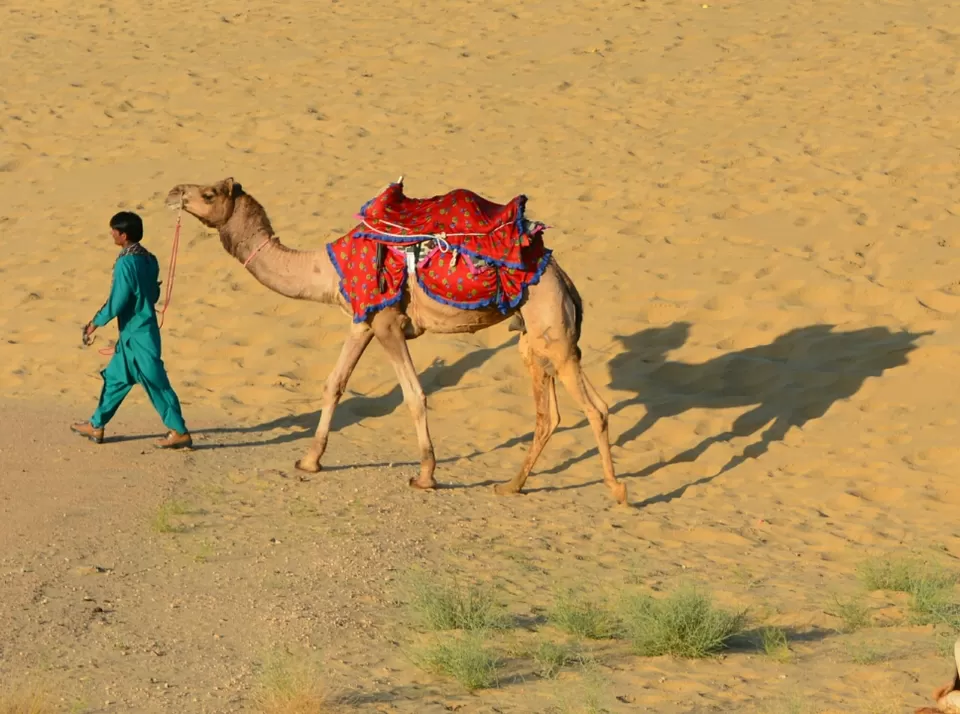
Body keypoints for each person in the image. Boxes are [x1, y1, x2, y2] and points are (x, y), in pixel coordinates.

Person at [71, 211, 192, 449]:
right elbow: (153, 293)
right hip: (134, 334)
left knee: (156, 382)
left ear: (123, 235)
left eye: (114, 231)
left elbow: (118, 301)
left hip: (140, 335)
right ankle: (97, 424)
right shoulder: (150, 259)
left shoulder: (127, 262)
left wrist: (95, 322)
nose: (111, 234)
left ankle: (179, 430)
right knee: (115, 379)